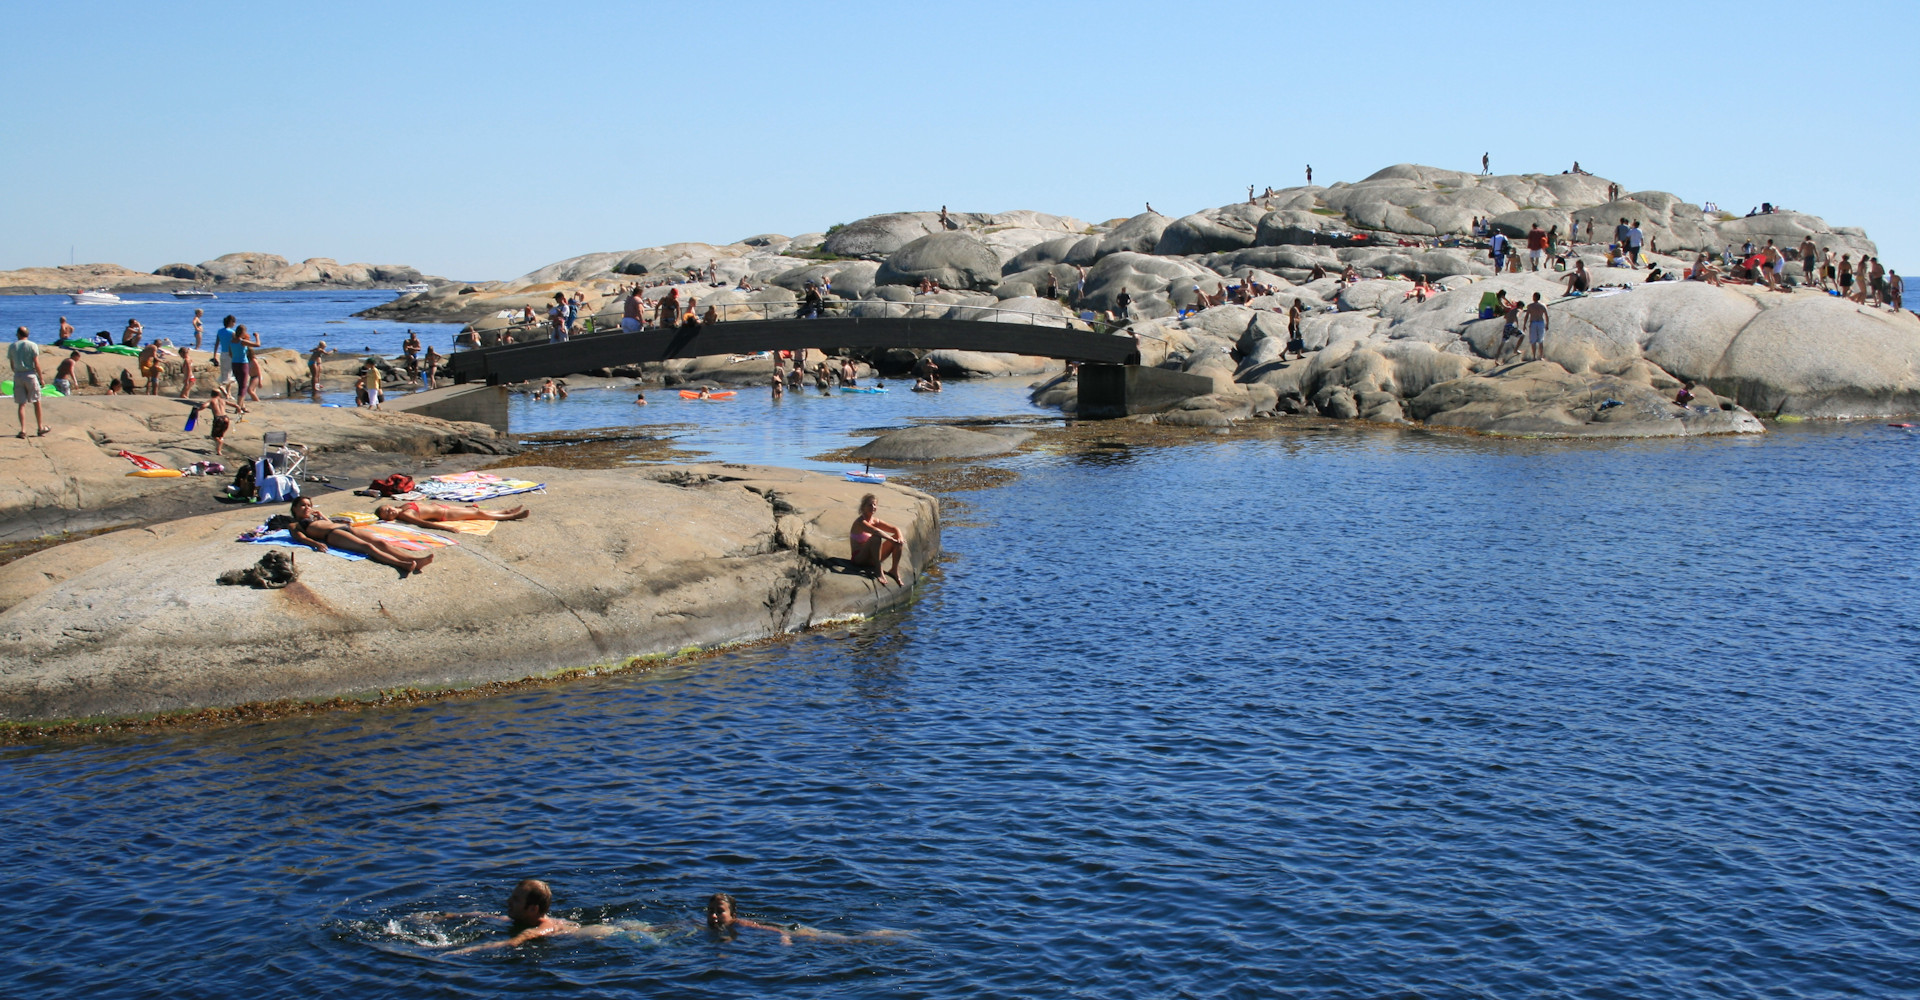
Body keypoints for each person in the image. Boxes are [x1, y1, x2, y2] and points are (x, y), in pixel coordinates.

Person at [286, 496, 433, 575]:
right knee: (367, 547)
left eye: (309, 505)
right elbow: (300, 537)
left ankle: (413, 560)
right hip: (333, 534)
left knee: (381, 543)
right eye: (303, 505)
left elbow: (329, 522)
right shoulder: (294, 524)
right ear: (295, 509)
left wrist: (322, 516)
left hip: (344, 527)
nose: (307, 508)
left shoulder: (315, 518)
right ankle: (402, 564)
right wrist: (315, 544)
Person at [448, 880, 581, 954]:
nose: (508, 901)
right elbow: (484, 916)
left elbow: (515, 941)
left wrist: (462, 951)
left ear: (532, 909)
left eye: (516, 899)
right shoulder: (522, 918)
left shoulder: (545, 927)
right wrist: (448, 916)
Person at [849, 493, 905, 585]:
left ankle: (894, 570)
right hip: (859, 558)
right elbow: (876, 531)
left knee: (898, 539)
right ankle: (878, 570)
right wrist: (891, 540)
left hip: (873, 558)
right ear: (863, 507)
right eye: (870, 505)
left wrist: (900, 538)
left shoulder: (875, 521)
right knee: (876, 538)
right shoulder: (860, 522)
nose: (873, 507)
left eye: (875, 504)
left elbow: (895, 529)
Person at [11, 327, 49, 438]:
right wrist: (41, 378)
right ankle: (40, 427)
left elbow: (12, 364)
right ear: (28, 334)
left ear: (18, 334)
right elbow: (36, 363)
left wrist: (17, 371)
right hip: (30, 375)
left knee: (21, 404)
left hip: (18, 375)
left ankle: (23, 430)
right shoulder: (32, 345)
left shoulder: (13, 346)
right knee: (36, 401)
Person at [375, 500, 530, 527]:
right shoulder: (405, 514)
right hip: (445, 516)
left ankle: (505, 511)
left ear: (389, 505)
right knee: (479, 514)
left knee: (475, 510)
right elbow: (424, 523)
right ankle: (511, 516)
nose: (389, 512)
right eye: (387, 514)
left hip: (444, 508)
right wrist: (448, 529)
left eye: (387, 509)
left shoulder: (404, 505)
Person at [233, 323, 260, 405]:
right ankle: (240, 406)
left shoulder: (232, 341)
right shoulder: (242, 342)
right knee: (244, 387)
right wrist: (257, 337)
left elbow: (231, 353)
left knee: (242, 386)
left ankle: (242, 404)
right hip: (242, 364)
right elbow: (258, 344)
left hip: (234, 363)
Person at [204, 387, 232, 456]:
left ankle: (219, 445)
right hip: (226, 418)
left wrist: (197, 410)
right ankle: (219, 451)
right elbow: (235, 405)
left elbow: (204, 405)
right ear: (219, 394)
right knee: (221, 435)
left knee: (214, 436)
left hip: (218, 419)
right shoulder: (223, 400)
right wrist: (239, 410)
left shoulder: (211, 400)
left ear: (211, 394)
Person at [1523, 292, 1549, 362]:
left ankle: (1534, 357)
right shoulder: (1543, 306)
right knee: (1540, 340)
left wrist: (1524, 325)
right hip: (1540, 323)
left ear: (1534, 297)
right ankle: (1540, 357)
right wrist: (1547, 325)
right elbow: (1546, 316)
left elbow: (1527, 316)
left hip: (1533, 323)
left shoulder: (1530, 306)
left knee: (1533, 340)